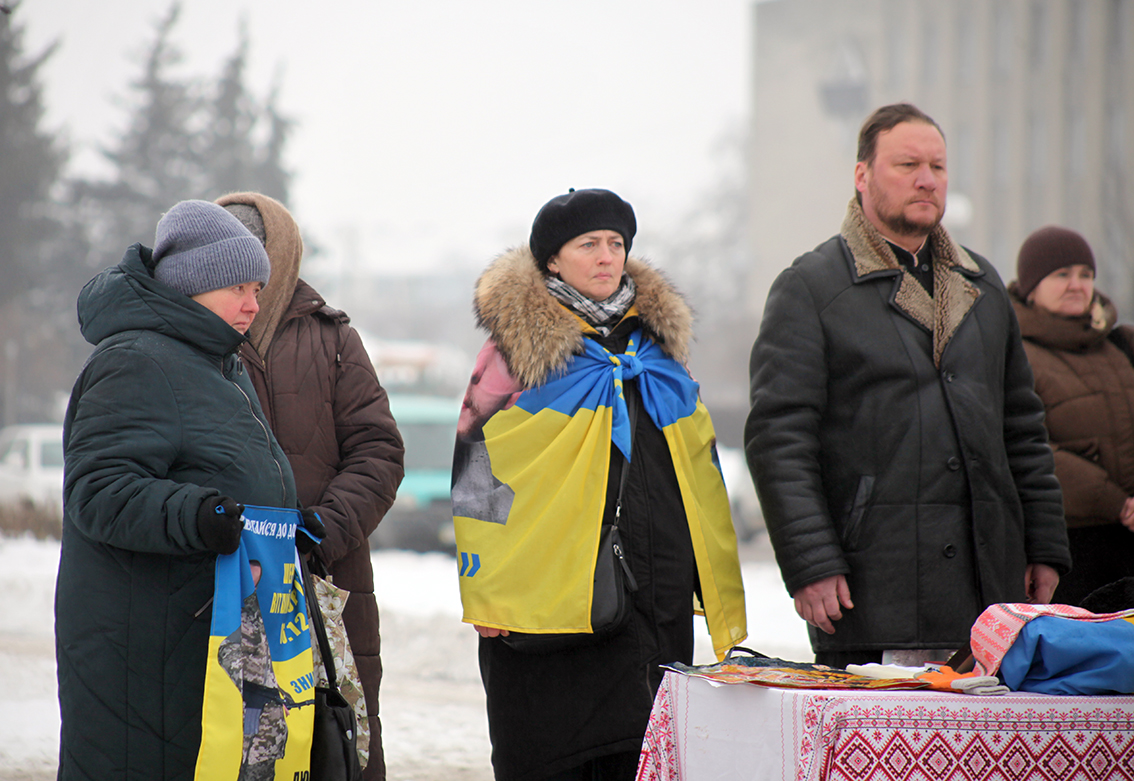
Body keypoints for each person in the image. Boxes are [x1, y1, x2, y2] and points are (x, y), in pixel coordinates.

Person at [744, 103, 1071, 669]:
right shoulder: (810, 287)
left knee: (992, 758)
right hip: (871, 591)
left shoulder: (983, 285)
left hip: (989, 597)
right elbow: (780, 440)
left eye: (938, 167)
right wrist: (811, 562)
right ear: (862, 175)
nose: (927, 179)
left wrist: (1044, 544)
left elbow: (1022, 428)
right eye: (908, 165)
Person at [452, 188, 747, 781]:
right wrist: (486, 590)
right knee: (554, 755)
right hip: (549, 602)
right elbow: (476, 472)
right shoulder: (516, 354)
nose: (606, 255)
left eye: (616, 243)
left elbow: (699, 464)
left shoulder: (658, 351)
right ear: (552, 260)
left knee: (642, 756)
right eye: (588, 244)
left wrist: (699, 573)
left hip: (654, 596)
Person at [56, 200, 303, 780]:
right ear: (191, 284)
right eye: (237, 287)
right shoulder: (137, 361)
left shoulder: (216, 363)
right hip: (145, 650)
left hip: (199, 637)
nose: (253, 304)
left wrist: (285, 520)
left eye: (259, 288)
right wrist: (200, 516)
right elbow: (97, 492)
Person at [216, 191, 405, 780]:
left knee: (333, 748)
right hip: (217, 588)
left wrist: (316, 533)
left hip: (325, 586)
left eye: (256, 256)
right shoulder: (185, 346)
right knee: (223, 744)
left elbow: (379, 451)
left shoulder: (332, 339)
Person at [1008, 226, 1134, 608]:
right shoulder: (1017, 355)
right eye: (1062, 274)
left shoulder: (1121, 345)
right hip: (1070, 551)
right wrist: (1116, 502)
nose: (1076, 285)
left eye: (1085, 274)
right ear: (1031, 286)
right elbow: (1028, 447)